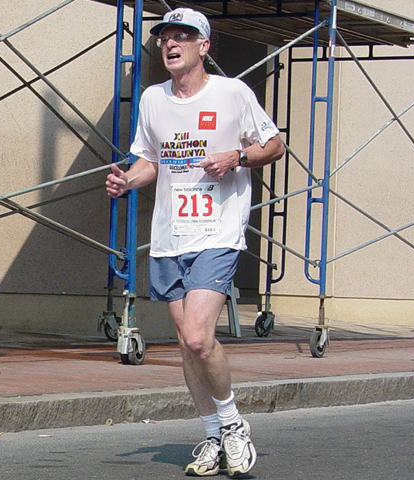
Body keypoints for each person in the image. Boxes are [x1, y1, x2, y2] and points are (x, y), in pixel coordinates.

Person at [105, 8, 284, 477]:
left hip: (218, 231)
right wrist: (127, 182)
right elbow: (149, 162)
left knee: (200, 336)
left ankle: (233, 424)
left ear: (203, 46)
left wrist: (236, 157)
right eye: (166, 36)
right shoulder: (153, 99)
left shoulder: (232, 93)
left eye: (183, 36)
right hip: (170, 237)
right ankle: (212, 435)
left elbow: (274, 145)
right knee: (187, 344)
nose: (171, 43)